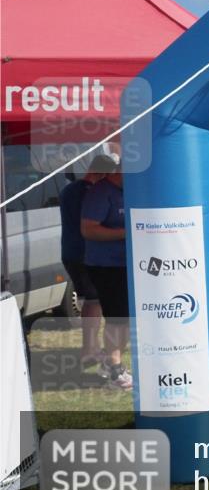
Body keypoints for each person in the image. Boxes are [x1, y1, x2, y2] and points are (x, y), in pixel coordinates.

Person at [80, 154, 132, 389]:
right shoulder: (100, 193)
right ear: (120, 171)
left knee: (127, 319)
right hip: (106, 266)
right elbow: (89, 230)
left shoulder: (124, 191)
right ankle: (114, 370)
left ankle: (114, 364)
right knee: (117, 319)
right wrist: (126, 233)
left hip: (125, 264)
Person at [59, 154, 117, 369]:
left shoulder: (68, 190)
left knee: (91, 300)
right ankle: (89, 350)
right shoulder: (91, 193)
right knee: (94, 301)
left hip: (70, 253)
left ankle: (90, 348)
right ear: (102, 173)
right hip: (87, 254)